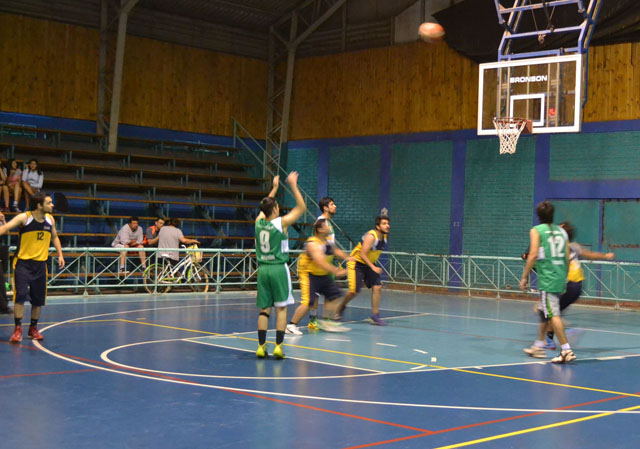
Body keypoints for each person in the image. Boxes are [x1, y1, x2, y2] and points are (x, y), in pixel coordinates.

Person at [0, 193, 65, 342]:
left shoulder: (50, 219)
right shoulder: (25, 217)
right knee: (21, 295)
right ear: (39, 205)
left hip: (41, 265)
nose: (52, 205)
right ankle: (17, 329)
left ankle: (33, 328)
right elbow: (6, 228)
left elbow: (54, 237)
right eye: (49, 203)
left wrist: (60, 254)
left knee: (38, 299)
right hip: (23, 263)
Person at [255, 173, 306, 359]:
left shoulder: (258, 223)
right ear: (275, 209)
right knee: (281, 309)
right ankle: (278, 346)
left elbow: (264, 208)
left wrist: (274, 188)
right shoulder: (281, 223)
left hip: (263, 269)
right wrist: (293, 185)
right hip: (278, 268)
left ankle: (261, 347)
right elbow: (302, 207)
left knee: (264, 310)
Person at [543, 221, 615, 349]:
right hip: (578, 286)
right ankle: (552, 340)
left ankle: (565, 334)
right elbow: (590, 254)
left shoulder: (559, 247)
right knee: (554, 313)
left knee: (551, 313)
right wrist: (605, 255)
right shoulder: (573, 246)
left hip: (568, 284)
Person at [521, 201, 575, 363]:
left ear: (538, 216)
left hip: (548, 278)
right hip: (559, 275)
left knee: (553, 315)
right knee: (544, 311)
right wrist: (564, 277)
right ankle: (538, 346)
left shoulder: (536, 231)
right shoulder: (562, 232)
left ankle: (566, 349)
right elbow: (566, 257)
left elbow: (533, 254)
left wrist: (524, 276)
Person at [286, 219, 349, 335]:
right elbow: (320, 261)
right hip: (309, 274)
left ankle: (327, 322)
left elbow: (336, 251)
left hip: (322, 274)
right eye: (326, 226)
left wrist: (349, 258)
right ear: (320, 229)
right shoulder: (312, 243)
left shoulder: (326, 242)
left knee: (334, 295)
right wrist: (336, 270)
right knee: (308, 301)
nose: (329, 227)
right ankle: (291, 325)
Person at [303, 197, 353, 330]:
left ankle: (327, 320)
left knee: (330, 293)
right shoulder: (321, 222)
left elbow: (330, 246)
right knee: (316, 295)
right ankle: (313, 320)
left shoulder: (328, 223)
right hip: (318, 265)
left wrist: (342, 257)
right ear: (325, 208)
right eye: (332, 204)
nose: (335, 206)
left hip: (327, 263)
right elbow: (317, 243)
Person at [337, 216, 390, 325]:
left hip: (368, 264)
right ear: (377, 226)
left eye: (388, 223)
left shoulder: (384, 237)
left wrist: (372, 266)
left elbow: (373, 254)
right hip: (357, 263)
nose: (387, 225)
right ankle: (340, 307)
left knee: (377, 287)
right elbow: (362, 254)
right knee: (353, 291)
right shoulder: (371, 236)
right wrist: (373, 267)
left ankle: (375, 316)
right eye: (384, 223)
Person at [0, 223, 12, 314]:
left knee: (1, 280)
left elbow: (7, 231)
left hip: (1, 249)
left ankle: (3, 306)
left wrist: (3, 221)